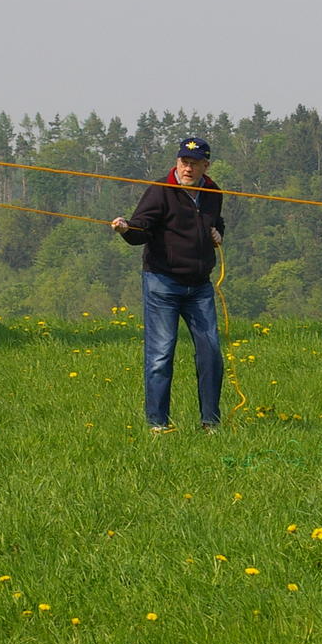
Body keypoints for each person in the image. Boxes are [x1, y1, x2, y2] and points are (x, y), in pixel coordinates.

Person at [111, 136, 225, 432]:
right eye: (184, 162)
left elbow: (216, 223)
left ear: (205, 166)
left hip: (200, 286)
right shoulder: (160, 190)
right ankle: (158, 425)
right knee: (161, 355)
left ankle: (210, 424)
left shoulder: (213, 192)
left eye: (194, 164)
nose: (188, 169)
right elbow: (141, 229)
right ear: (177, 162)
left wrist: (218, 234)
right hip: (162, 283)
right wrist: (125, 229)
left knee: (211, 353)